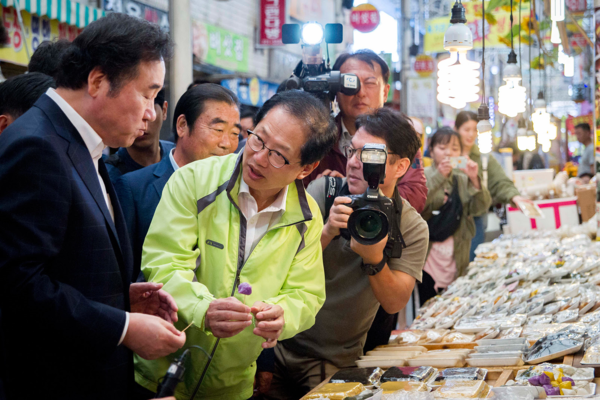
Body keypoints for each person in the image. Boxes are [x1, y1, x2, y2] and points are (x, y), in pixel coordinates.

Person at [0, 14, 186, 399]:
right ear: (98, 81)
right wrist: (123, 326)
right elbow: (18, 283)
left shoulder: (82, 143)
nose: (152, 113)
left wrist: (120, 297)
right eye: (148, 94)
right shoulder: (37, 146)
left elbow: (64, 262)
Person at [133, 90, 337, 400]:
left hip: (232, 386)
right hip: (160, 375)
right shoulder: (194, 182)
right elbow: (164, 262)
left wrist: (283, 314)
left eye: (278, 155)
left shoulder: (306, 218)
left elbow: (306, 294)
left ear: (306, 168)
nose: (258, 157)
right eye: (258, 139)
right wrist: (202, 308)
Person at [265, 108, 428, 399]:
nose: (352, 163)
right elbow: (275, 267)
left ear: (401, 166)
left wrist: (374, 258)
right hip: (278, 344)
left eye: (366, 156)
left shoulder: (410, 226)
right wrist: (326, 232)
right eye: (351, 151)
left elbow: (394, 303)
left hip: (334, 361)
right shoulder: (323, 194)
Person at [114, 83, 241, 280]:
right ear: (182, 126)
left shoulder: (235, 192)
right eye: (218, 129)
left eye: (234, 134)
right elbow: (123, 271)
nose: (226, 143)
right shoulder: (134, 188)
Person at [302, 49, 427, 214]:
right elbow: (293, 192)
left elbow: (416, 195)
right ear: (336, 92)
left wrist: (346, 191)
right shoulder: (317, 136)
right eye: (349, 82)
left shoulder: (401, 136)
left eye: (370, 83)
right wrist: (318, 192)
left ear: (385, 92)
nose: (360, 92)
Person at [419, 128, 491, 304]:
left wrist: (475, 179)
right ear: (432, 149)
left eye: (454, 149)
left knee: (453, 306)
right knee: (427, 307)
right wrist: (439, 176)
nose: (448, 153)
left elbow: (480, 207)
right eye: (442, 147)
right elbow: (418, 205)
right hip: (428, 257)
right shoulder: (422, 175)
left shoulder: (462, 177)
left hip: (457, 253)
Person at [455, 111, 530, 262]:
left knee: (472, 263)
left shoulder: (484, 158)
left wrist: (515, 197)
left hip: (475, 219)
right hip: (449, 218)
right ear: (456, 129)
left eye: (475, 130)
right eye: (466, 129)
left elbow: (501, 181)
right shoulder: (447, 156)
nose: (471, 134)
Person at [105, 88, 174, 182]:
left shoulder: (177, 156)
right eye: (132, 111)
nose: (142, 120)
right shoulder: (109, 175)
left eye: (148, 110)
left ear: (164, 111)